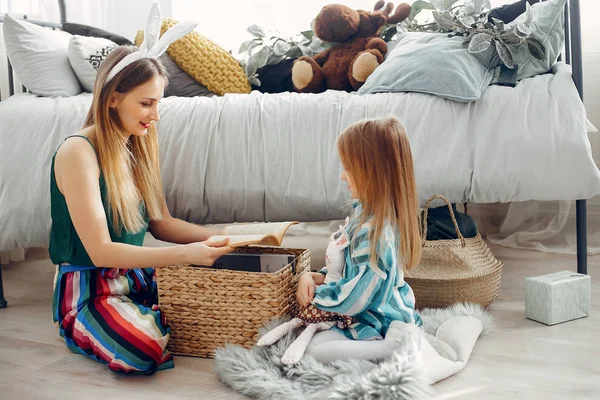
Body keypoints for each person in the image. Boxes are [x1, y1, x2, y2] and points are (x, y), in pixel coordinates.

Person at [49, 24, 234, 373]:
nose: (155, 114)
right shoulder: (79, 152)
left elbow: (161, 224)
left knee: (220, 306)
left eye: (157, 103)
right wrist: (185, 256)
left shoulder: (136, 146)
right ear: (113, 97)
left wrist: (222, 239)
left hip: (138, 277)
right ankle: (112, 324)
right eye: (147, 103)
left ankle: (150, 317)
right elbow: (101, 251)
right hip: (91, 287)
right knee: (144, 351)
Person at [295, 117, 424, 364]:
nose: (343, 177)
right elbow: (345, 271)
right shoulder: (365, 217)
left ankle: (396, 349)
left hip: (379, 320)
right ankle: (388, 346)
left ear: (371, 173)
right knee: (312, 340)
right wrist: (311, 276)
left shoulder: (374, 233)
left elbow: (357, 299)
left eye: (348, 168)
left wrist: (319, 299)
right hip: (369, 315)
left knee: (315, 351)